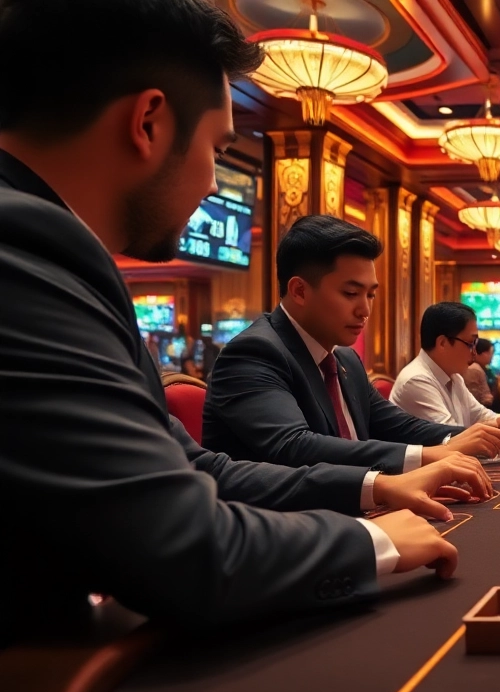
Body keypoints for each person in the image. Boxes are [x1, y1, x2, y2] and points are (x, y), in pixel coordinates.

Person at [0, 0, 474, 643]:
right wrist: (368, 542)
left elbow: (198, 468)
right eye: (219, 149)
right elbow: (181, 548)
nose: (208, 186)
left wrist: (375, 489)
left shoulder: (52, 255)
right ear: (149, 122)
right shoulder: (24, 250)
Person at [204, 215, 500, 469]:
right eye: (351, 294)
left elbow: (397, 426)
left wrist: (471, 436)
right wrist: (427, 456)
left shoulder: (345, 359)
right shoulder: (255, 353)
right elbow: (294, 447)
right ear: (299, 291)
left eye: (370, 295)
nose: (365, 310)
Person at [390, 302, 500, 446]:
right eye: (470, 344)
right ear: (442, 343)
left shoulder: (454, 377)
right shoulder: (416, 380)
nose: (474, 353)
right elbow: (453, 439)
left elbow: (481, 416)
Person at [464, 337, 500, 413]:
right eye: (490, 353)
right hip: (480, 412)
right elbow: (486, 400)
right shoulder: (475, 369)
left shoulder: (486, 369)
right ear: (481, 353)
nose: (492, 356)